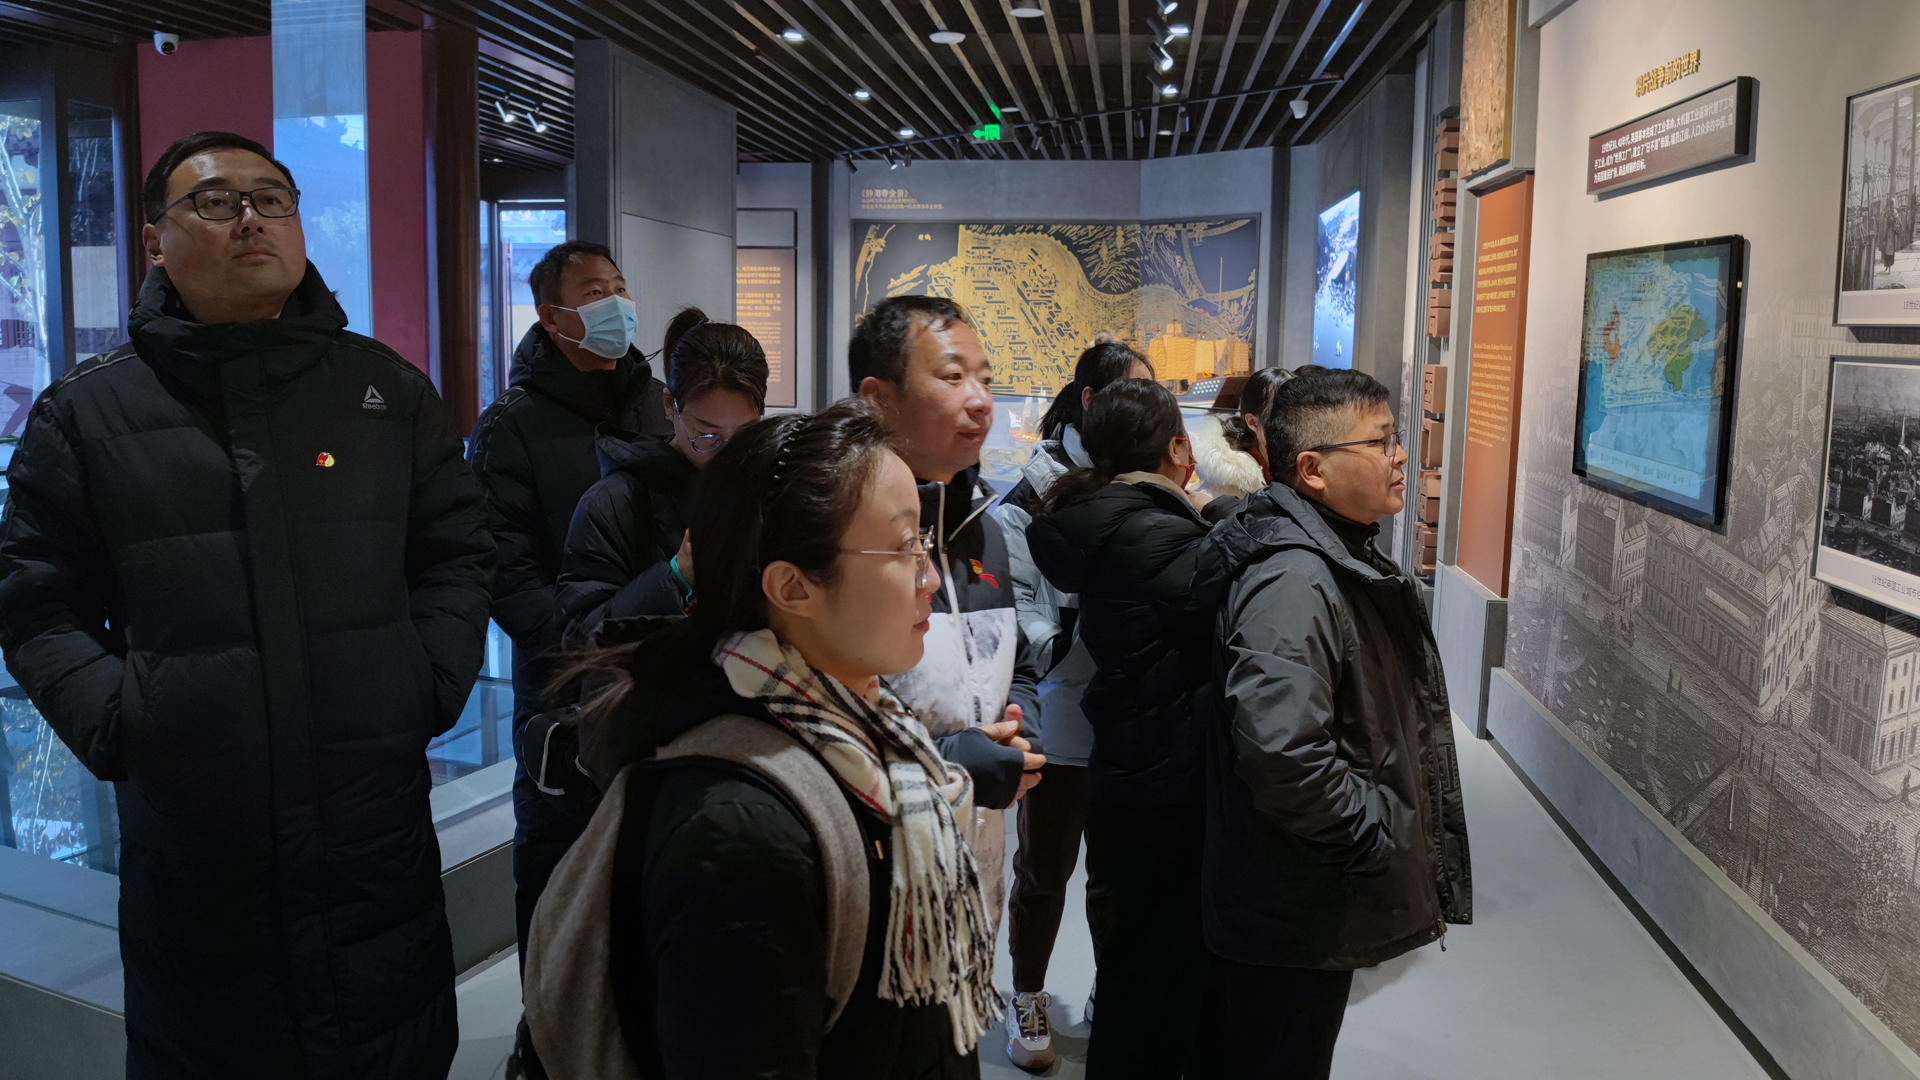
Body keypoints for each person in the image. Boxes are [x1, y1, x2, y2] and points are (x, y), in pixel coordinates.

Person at [0, 130, 493, 1078]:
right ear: (155, 241)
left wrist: (428, 680)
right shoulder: (86, 414)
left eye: (273, 200)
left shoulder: (384, 391)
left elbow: (458, 554)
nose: (252, 221)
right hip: (198, 862)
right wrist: (125, 722)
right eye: (217, 202)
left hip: (373, 844)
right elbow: (35, 603)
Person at [530, 400, 997, 1076]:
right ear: (791, 587)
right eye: (903, 548)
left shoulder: (862, 724)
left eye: (924, 542)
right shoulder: (740, 834)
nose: (931, 576)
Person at [1194, 369, 1472, 1078]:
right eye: (1379, 442)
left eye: (1395, 438)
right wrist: (1373, 833)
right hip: (1296, 904)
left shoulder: (1329, 553)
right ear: (1313, 469)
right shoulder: (1294, 578)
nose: (1399, 456)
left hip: (1297, 895)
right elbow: (1282, 751)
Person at [468, 240, 673, 960]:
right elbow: (504, 569)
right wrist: (585, 648)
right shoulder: (510, 425)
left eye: (619, 286)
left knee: (653, 877)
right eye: (593, 293)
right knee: (559, 884)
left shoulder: (658, 402)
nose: (617, 304)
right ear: (551, 317)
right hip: (564, 693)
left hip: (664, 677)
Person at [1025, 380, 1232, 1079]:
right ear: (1178, 447)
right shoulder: (1163, 534)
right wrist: (1227, 509)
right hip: (1172, 776)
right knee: (1163, 972)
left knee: (1133, 954)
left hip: (1124, 761)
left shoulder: (1101, 522)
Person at [851, 296, 1047, 919]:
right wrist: (948, 762)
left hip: (971, 867)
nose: (981, 400)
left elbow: (1017, 660)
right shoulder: (843, 531)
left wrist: (1020, 724)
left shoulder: (988, 525)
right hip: (874, 868)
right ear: (878, 398)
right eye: (953, 376)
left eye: (985, 379)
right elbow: (813, 709)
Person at [990, 341, 1152, 1067]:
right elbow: (1025, 615)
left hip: (1134, 716)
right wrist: (1084, 636)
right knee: (1045, 870)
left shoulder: (1147, 485)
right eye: (1130, 396)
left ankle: (1108, 988)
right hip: (1060, 712)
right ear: (1091, 402)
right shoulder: (1032, 494)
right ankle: (1027, 994)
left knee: (1118, 872)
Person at [555, 307, 767, 638]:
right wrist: (676, 577)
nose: (728, 453)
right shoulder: (613, 504)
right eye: (707, 435)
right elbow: (579, 635)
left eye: (746, 433)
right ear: (670, 405)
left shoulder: (769, 486)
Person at [1192, 366, 1292, 498]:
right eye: (1282, 416)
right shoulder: (1231, 480)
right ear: (1253, 422)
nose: (1294, 425)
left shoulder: (1292, 459)